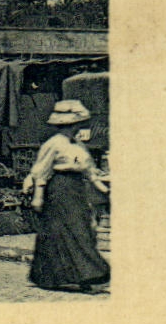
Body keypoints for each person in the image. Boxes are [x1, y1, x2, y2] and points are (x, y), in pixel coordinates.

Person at [22, 100, 111, 292]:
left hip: (77, 189)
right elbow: (41, 170)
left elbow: (88, 169)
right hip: (59, 189)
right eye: (75, 124)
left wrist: (102, 187)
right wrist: (38, 196)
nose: (78, 127)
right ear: (67, 125)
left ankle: (84, 275)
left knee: (82, 229)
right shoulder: (53, 143)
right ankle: (82, 275)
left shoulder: (78, 144)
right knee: (63, 232)